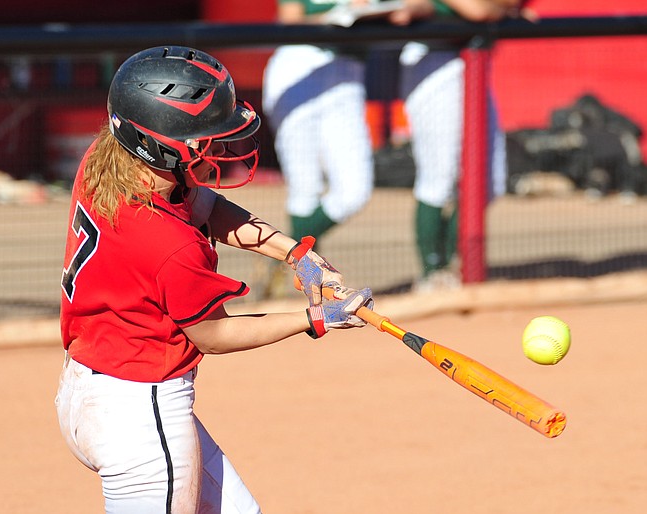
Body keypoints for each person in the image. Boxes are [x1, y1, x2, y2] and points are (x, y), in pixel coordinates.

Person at [55, 45, 374, 514]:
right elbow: (214, 333)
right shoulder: (170, 246)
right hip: (141, 417)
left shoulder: (110, 163)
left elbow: (203, 206)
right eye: (205, 142)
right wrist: (313, 319)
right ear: (158, 146)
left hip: (94, 386)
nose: (220, 150)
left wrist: (296, 255)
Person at [261, 0, 433, 296]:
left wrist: (395, 11)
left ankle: (286, 252)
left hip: (349, 72)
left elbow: (421, 6)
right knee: (304, 187)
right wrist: (335, 17)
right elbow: (289, 19)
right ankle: (307, 282)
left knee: (355, 190)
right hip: (299, 64)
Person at [398, 0, 534, 292]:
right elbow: (479, 10)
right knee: (440, 175)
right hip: (432, 60)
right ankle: (432, 272)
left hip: (470, 60)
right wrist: (506, 12)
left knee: (489, 180)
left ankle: (451, 262)